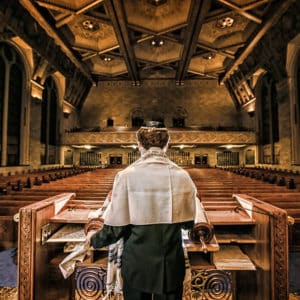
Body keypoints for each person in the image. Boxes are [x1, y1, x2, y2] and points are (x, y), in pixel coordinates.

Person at [86, 126, 197, 300]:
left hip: (137, 263)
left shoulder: (126, 176)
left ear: (139, 145)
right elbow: (188, 224)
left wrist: (94, 239)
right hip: (170, 263)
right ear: (167, 145)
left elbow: (116, 229)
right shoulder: (183, 176)